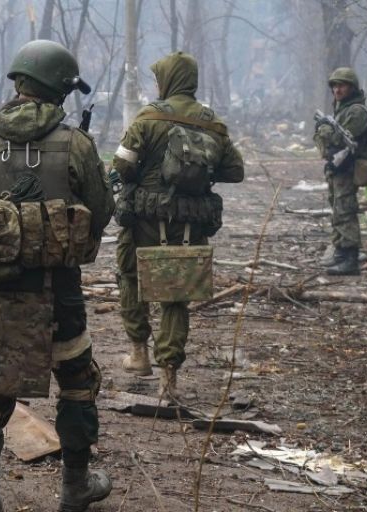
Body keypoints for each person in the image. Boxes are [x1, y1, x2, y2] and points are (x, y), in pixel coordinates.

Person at [0, 39, 114, 512]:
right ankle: (75, 488)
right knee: (77, 383)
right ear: (59, 88)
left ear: (18, 82)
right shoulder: (76, 144)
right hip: (60, 296)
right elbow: (100, 215)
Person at [111, 51, 245, 398]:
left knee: (130, 276)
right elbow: (235, 170)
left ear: (167, 80)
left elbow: (122, 165)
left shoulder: (148, 118)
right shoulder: (212, 123)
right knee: (176, 296)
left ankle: (139, 353)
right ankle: (169, 377)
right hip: (190, 224)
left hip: (143, 220)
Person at [313, 67, 367, 276]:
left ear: (352, 88)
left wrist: (326, 131)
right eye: (335, 86)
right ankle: (340, 251)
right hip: (338, 167)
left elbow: (340, 139)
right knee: (338, 208)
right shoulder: (343, 109)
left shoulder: (356, 111)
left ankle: (350, 258)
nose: (337, 90)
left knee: (345, 210)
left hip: (348, 168)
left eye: (342, 86)